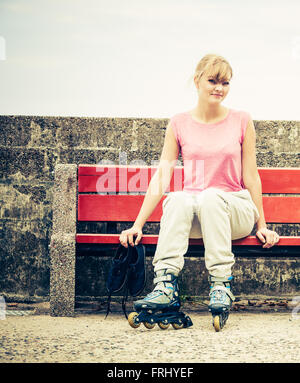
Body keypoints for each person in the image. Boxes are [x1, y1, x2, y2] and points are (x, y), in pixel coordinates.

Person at [119, 53, 280, 330]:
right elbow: (163, 174)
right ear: (197, 81)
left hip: (234, 211)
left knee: (210, 196)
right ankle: (165, 284)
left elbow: (251, 176)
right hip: (199, 214)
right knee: (179, 197)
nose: (219, 88)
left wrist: (261, 225)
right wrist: (137, 224)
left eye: (225, 82)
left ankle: (221, 284)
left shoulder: (241, 120)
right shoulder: (179, 123)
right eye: (213, 80)